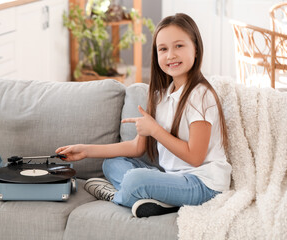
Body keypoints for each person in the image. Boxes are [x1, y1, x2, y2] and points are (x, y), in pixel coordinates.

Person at [56, 13, 232, 218]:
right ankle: (156, 198)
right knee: (111, 163)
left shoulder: (200, 95)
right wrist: (86, 150)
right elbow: (136, 147)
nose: (171, 55)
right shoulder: (160, 96)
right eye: (163, 49)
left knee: (135, 180)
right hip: (173, 179)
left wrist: (155, 130)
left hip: (203, 184)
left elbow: (195, 157)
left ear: (196, 48)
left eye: (179, 46)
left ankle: (120, 195)